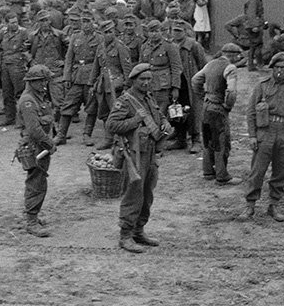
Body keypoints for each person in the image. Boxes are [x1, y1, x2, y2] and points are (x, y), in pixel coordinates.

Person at [106, 63, 170, 253]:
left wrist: (165, 123)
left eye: (149, 79)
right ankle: (125, 235)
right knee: (133, 194)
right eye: (142, 79)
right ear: (133, 81)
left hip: (150, 152)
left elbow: (158, 115)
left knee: (147, 193)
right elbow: (111, 125)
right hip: (133, 154)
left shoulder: (148, 98)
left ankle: (139, 230)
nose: (146, 83)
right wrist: (135, 121)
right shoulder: (126, 101)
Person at [239, 52, 284, 222]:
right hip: (265, 133)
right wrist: (252, 136)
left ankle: (273, 205)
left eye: (283, 67)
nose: (280, 71)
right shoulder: (262, 86)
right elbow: (251, 112)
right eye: (277, 67)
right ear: (272, 68)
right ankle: (250, 205)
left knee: (281, 172)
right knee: (257, 171)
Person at [192, 43, 244, 185]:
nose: (239, 58)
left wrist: (203, 96)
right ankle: (222, 175)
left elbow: (195, 80)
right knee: (221, 142)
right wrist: (228, 105)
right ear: (232, 55)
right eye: (238, 55)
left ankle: (208, 171)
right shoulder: (230, 68)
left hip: (207, 107)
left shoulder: (210, 64)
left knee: (208, 140)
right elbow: (231, 91)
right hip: (218, 109)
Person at [17, 65, 57, 237]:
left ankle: (32, 215)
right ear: (32, 82)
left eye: (45, 81)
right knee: (37, 182)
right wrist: (50, 143)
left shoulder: (37, 97)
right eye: (40, 81)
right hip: (35, 147)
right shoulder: (29, 101)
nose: (44, 85)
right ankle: (31, 221)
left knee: (38, 180)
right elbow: (34, 129)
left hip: (40, 146)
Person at [88, 19, 132, 150]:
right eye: (105, 32)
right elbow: (96, 67)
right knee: (104, 112)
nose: (108, 34)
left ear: (114, 32)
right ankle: (108, 139)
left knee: (117, 113)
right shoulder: (100, 47)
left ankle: (120, 140)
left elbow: (127, 69)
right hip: (103, 84)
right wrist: (91, 83)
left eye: (110, 31)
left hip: (116, 85)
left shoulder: (121, 47)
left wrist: (126, 86)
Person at [57, 13, 100, 145]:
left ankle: (87, 134)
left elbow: (100, 61)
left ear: (93, 22)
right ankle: (61, 135)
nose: (85, 24)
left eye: (88, 21)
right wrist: (66, 77)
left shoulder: (99, 38)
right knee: (68, 105)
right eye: (83, 21)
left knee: (91, 107)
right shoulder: (75, 36)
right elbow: (69, 58)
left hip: (91, 77)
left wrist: (96, 80)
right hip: (76, 77)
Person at [167, 21, 206, 152]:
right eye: (174, 30)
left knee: (193, 112)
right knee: (176, 110)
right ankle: (180, 138)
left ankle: (196, 139)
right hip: (176, 83)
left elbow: (203, 65)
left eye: (179, 31)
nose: (176, 33)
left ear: (185, 32)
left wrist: (201, 83)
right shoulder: (170, 45)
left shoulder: (193, 46)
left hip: (191, 83)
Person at [0, 13, 31, 127]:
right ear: (6, 23)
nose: (14, 24)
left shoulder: (23, 32)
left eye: (16, 22)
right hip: (5, 64)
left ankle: (23, 119)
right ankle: (10, 117)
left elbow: (29, 43)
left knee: (20, 92)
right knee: (7, 92)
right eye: (12, 22)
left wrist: (23, 53)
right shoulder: (4, 32)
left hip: (17, 64)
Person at [139, 19, 183, 118]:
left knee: (160, 115)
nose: (154, 34)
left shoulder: (169, 46)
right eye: (151, 32)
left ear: (161, 32)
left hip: (163, 86)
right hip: (148, 85)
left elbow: (176, 68)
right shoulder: (145, 46)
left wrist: (175, 88)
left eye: (156, 31)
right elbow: (140, 66)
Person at [244, 0, 267, 71]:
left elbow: (259, 14)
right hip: (254, 26)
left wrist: (264, 23)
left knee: (254, 46)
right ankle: (258, 64)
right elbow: (251, 14)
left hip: (256, 25)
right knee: (256, 46)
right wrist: (254, 26)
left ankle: (253, 65)